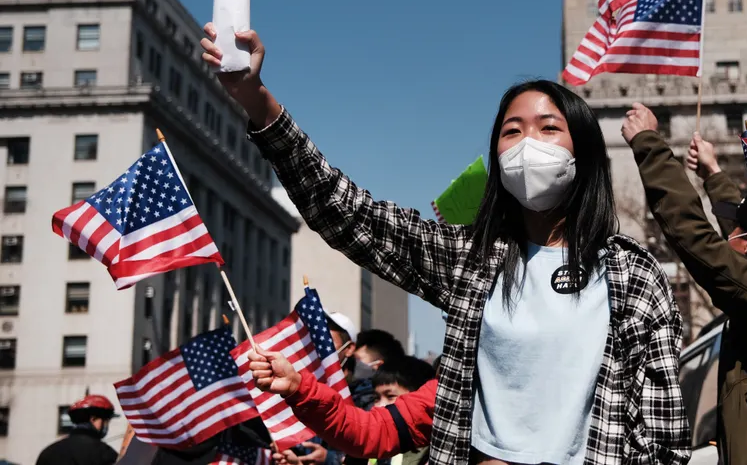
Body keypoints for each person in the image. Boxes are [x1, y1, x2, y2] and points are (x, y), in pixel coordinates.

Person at [201, 27, 689, 465]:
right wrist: (257, 100)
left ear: (582, 152)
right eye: (511, 131)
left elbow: (664, 438)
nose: (527, 144)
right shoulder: (472, 258)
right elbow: (348, 212)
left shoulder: (632, 275)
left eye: (548, 128)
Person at [621, 102, 747, 465]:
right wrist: (712, 173)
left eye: (732, 233)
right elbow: (744, 226)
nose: (726, 237)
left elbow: (697, 238)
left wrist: (648, 144)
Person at [249, 349, 436, 465]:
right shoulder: (443, 392)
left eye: (390, 396)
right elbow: (371, 430)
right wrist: (297, 387)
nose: (379, 405)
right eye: (376, 397)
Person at [36, 394, 118, 465]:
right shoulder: (103, 452)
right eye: (106, 421)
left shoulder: (48, 452)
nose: (107, 425)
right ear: (93, 419)